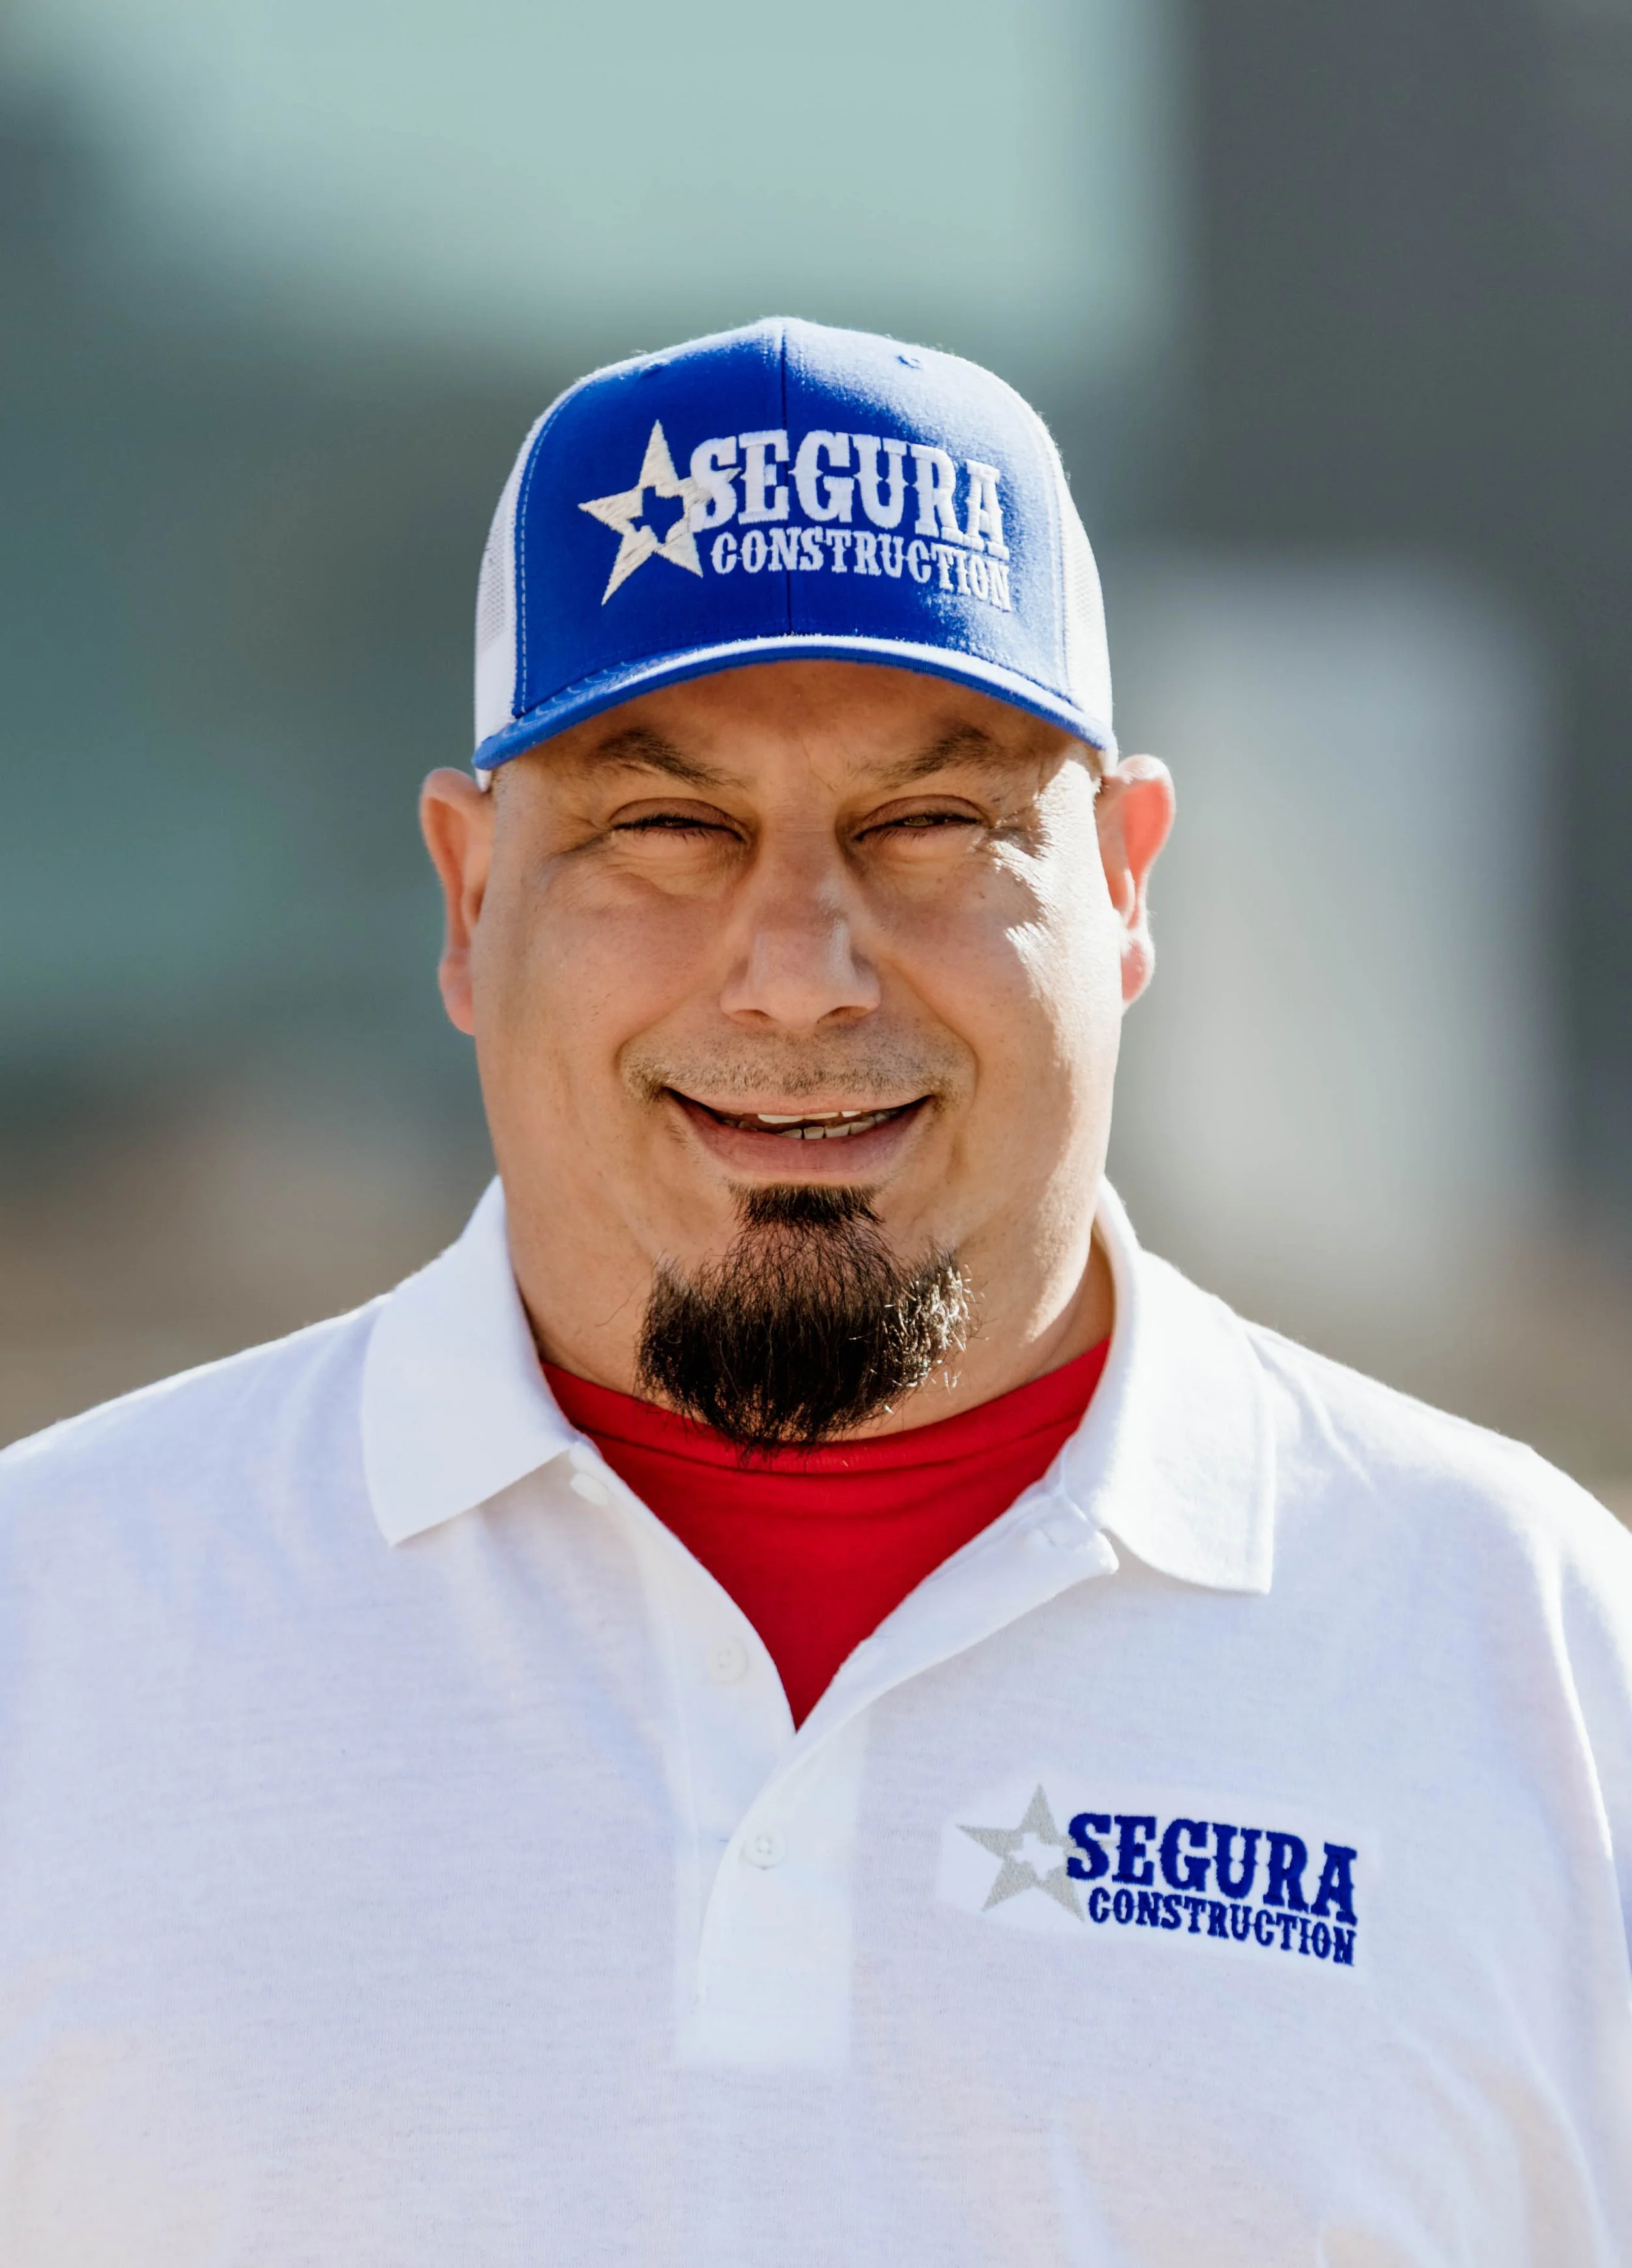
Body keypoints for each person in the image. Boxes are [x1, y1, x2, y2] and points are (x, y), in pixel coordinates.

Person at [0, 317, 1627, 2266]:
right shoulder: (52, 1640)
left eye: (932, 823)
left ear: (1122, 885)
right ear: (464, 899)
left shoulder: (1543, 1671)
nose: (797, 971)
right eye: (663, 827)